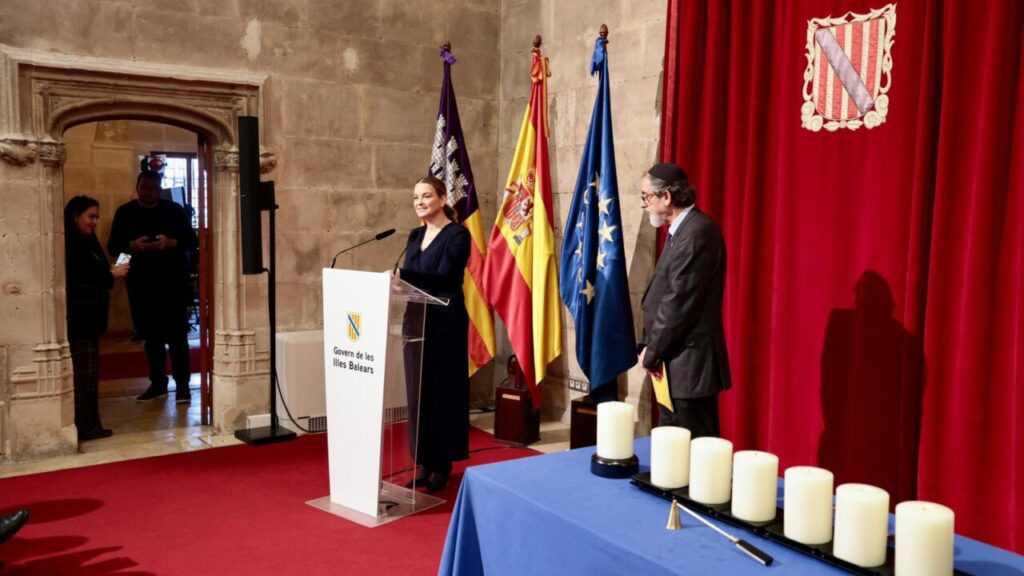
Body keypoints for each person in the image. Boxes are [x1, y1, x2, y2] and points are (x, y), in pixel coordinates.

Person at [637, 163, 731, 438]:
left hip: (690, 365)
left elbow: (678, 304)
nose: (644, 204)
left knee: (695, 454)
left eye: (647, 196)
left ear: (666, 196)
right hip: (674, 362)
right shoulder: (682, 230)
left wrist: (652, 352)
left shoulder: (696, 232)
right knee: (676, 453)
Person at [398, 176, 471, 493]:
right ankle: (424, 461)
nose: (419, 202)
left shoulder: (457, 235)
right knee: (419, 393)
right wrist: (397, 282)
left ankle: (443, 463)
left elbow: (446, 277)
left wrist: (403, 275)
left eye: (426, 196)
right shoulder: (414, 235)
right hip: (416, 320)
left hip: (445, 321)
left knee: (443, 392)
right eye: (416, 197)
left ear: (442, 199)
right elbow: (412, 282)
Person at [107, 170, 195, 404]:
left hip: (173, 284)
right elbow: (114, 248)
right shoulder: (125, 213)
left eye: (154, 188)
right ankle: (158, 384)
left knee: (177, 337)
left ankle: (183, 387)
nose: (149, 192)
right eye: (145, 187)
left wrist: (171, 243)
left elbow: (192, 242)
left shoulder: (174, 211)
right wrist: (132, 246)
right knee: (152, 338)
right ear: (137, 187)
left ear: (160, 188)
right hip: (141, 286)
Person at [65, 195, 129, 441]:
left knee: (89, 376)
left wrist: (109, 273)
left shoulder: (88, 241)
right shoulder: (71, 244)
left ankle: (90, 423)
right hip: (80, 318)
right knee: (84, 376)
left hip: (91, 319)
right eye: (90, 217)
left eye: (96, 217)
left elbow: (97, 272)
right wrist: (111, 274)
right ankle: (87, 426)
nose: (94, 222)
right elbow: (80, 280)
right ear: (75, 216)